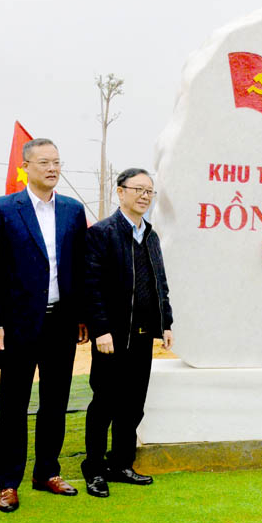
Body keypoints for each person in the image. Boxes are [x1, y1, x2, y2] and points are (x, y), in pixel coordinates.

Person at [0, 138, 88, 511]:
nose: (52, 168)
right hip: (17, 324)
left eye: (57, 162)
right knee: (13, 404)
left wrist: (81, 317)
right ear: (26, 166)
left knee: (55, 402)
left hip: (61, 321)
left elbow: (78, 268)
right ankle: (8, 482)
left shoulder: (74, 211)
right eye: (44, 162)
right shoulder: (3, 210)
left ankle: (47, 472)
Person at [82, 168, 173, 497]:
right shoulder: (102, 233)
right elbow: (90, 287)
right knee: (104, 402)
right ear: (120, 193)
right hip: (112, 337)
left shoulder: (150, 234)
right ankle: (93, 468)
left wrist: (166, 322)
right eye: (138, 189)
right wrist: (101, 330)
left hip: (143, 334)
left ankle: (121, 463)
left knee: (133, 405)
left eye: (150, 192)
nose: (145, 196)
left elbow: (158, 280)